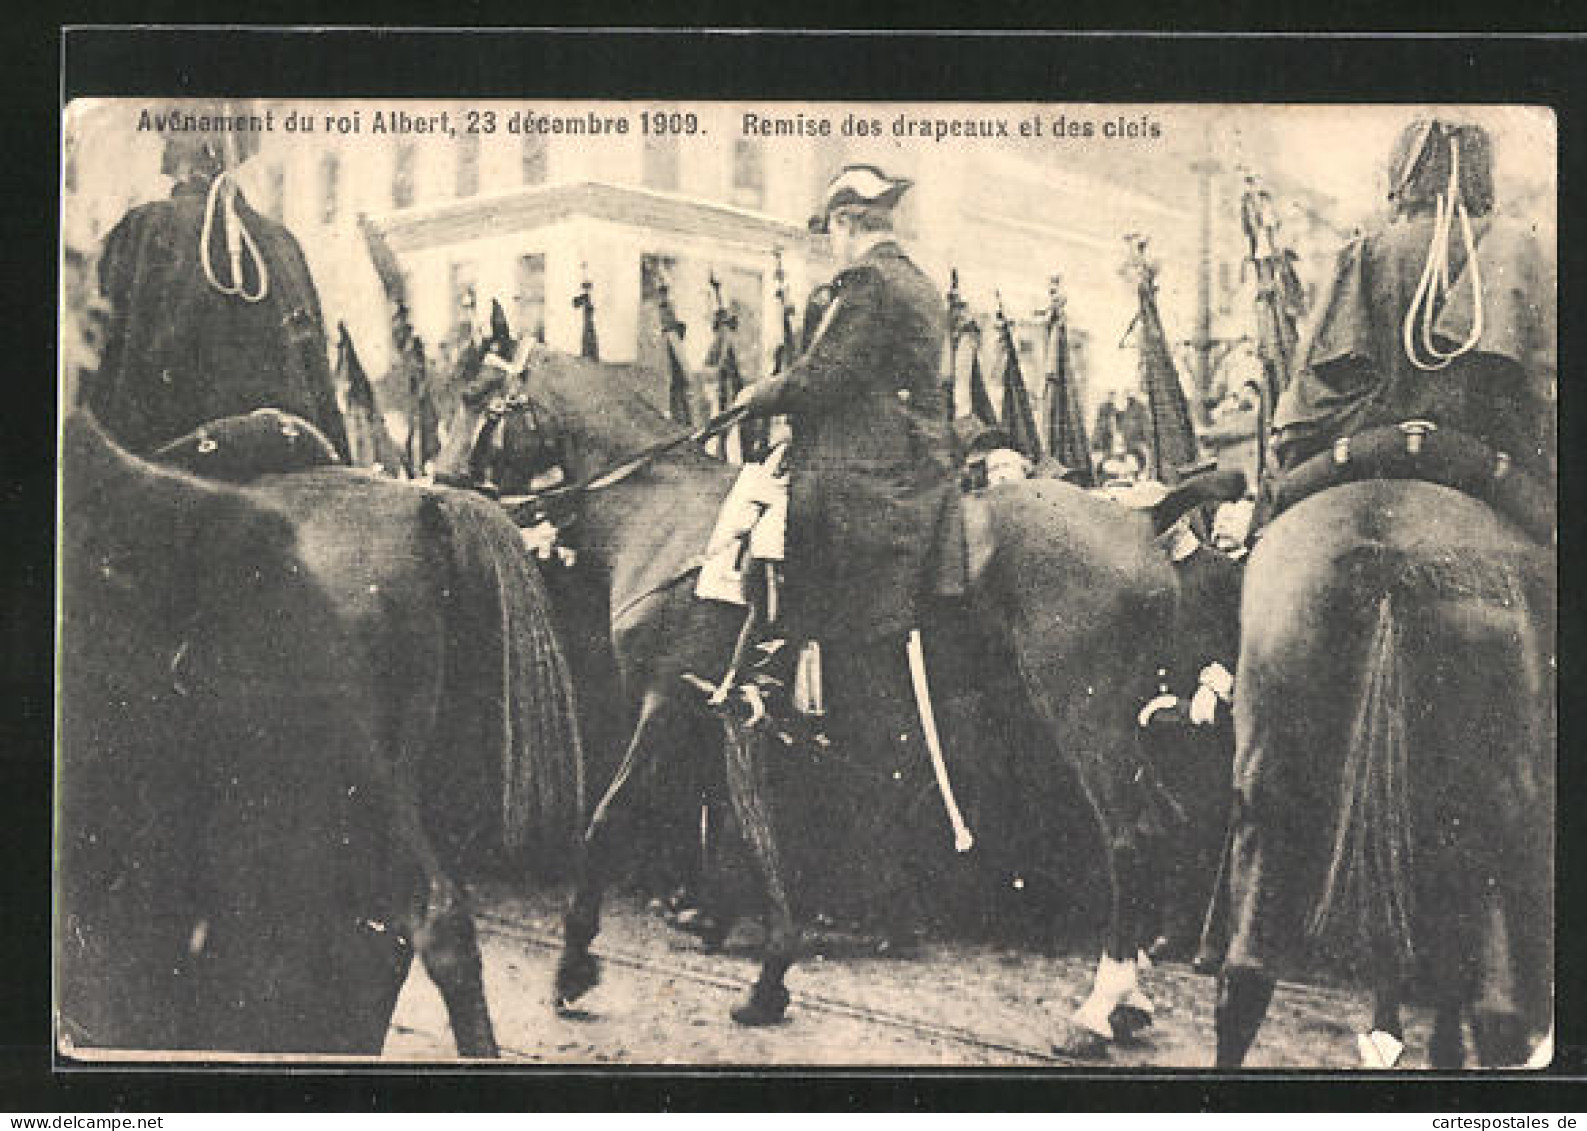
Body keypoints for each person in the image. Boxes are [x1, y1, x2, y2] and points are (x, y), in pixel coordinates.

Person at [733, 164, 964, 656]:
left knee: (784, 527)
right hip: (915, 465)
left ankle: (790, 661)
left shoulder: (866, 281)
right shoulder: (919, 283)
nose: (831, 246)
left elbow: (826, 377)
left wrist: (757, 396)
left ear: (844, 222)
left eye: (831, 232)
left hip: (861, 475)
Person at [1272, 118, 1555, 481]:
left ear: (1404, 173)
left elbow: (1313, 378)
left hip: (1361, 444)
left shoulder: (1363, 252)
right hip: (1485, 448)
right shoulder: (1517, 247)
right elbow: (1542, 377)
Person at [85, 121, 351, 461]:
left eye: (169, 137)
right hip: (297, 455)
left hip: (173, 463)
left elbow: (105, 359)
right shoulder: (281, 242)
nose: (162, 147)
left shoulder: (144, 228)